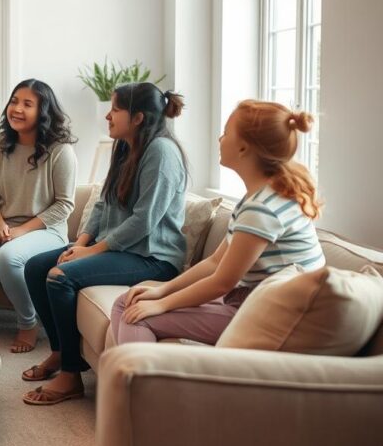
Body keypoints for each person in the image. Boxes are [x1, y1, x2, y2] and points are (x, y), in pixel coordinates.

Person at [21, 82, 188, 406]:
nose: (108, 116)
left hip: (153, 257)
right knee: (36, 266)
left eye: (115, 109)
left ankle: (71, 376)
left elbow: (145, 220)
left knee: (60, 277)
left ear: (137, 117)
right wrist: (80, 243)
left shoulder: (161, 152)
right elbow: (102, 204)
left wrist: (92, 251)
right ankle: (59, 351)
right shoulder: (125, 146)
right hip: (120, 249)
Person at [111, 100, 325, 345]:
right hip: (254, 301)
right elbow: (215, 262)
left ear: (244, 148)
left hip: (267, 314)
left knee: (134, 316)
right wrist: (162, 289)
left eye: (225, 133)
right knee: (128, 301)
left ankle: (135, 381)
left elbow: (223, 282)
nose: (220, 138)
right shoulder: (262, 197)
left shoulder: (262, 208)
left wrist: (162, 304)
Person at [0, 79, 77, 352]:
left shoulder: (60, 150)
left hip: (46, 230)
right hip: (4, 223)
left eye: (27, 104)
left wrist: (20, 231)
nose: (17, 108)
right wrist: (0, 224)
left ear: (44, 111)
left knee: (8, 256)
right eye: (14, 101)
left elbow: (64, 204)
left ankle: (28, 323)